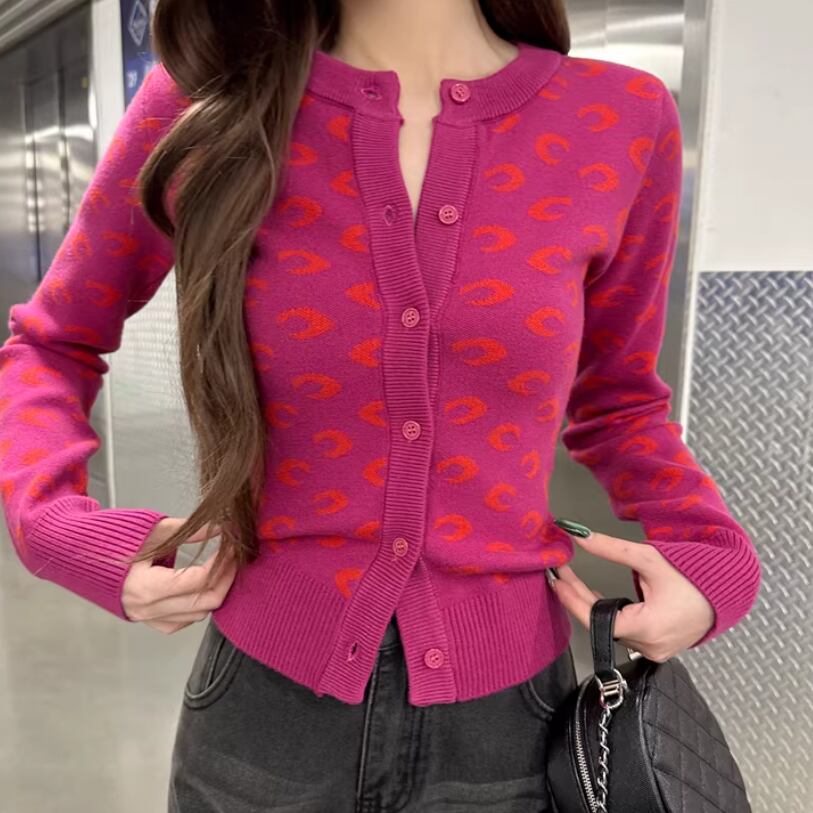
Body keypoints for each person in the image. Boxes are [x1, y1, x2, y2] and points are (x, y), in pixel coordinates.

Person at [0, 0, 762, 810]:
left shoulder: (616, 118)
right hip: (263, 718)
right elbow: (51, 343)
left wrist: (711, 554)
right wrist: (53, 526)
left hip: (508, 732)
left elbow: (618, 398)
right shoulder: (209, 100)